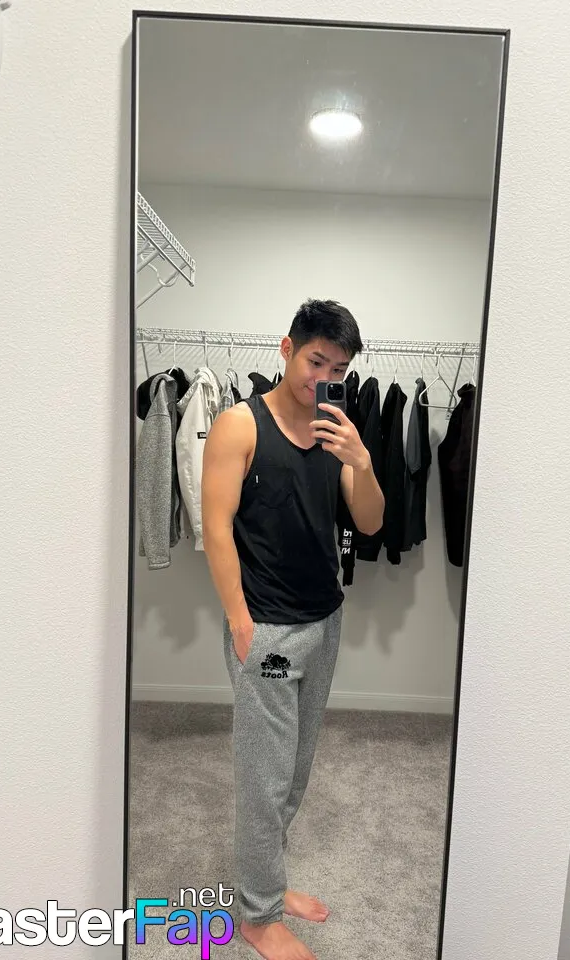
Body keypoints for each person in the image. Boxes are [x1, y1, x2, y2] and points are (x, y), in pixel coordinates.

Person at [201, 299, 384, 960]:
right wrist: (240, 621)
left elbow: (371, 523)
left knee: (296, 770)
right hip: (269, 633)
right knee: (265, 778)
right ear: (287, 349)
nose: (323, 378)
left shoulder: (338, 432)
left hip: (324, 621)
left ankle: (267, 888)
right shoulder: (239, 425)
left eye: (337, 370)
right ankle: (256, 917)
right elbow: (215, 528)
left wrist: (362, 461)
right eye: (315, 361)